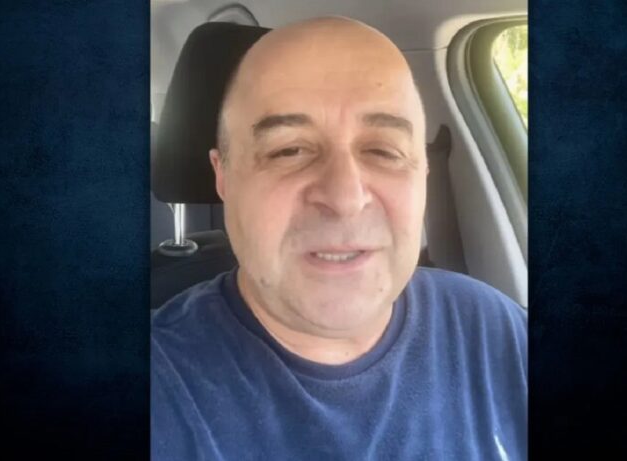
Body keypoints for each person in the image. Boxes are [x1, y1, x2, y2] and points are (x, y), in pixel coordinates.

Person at [151, 16, 526, 460]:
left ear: (423, 172)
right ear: (224, 176)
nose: (345, 198)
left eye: (383, 150)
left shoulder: (494, 328)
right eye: (288, 150)